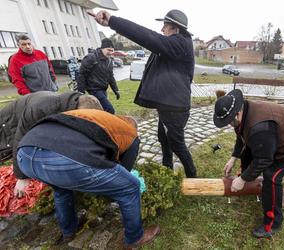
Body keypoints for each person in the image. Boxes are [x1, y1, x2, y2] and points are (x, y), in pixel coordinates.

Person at [16, 109, 160, 248]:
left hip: (25, 154)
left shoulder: (97, 117)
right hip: (62, 159)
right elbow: (123, 170)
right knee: (130, 187)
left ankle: (68, 232)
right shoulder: (131, 134)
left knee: (61, 189)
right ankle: (135, 238)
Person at [90, 9, 197, 177]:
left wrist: (113, 21)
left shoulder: (180, 44)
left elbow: (148, 37)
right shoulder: (174, 46)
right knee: (163, 137)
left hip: (175, 108)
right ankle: (167, 168)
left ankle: (193, 177)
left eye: (165, 27)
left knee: (177, 144)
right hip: (168, 104)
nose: (162, 30)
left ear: (175, 29)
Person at [213, 89, 284, 238]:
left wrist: (242, 179)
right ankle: (249, 180)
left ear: (238, 114)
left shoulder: (259, 128)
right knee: (250, 150)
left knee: (271, 176)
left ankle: (272, 224)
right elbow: (241, 136)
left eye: (229, 122)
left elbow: (265, 159)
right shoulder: (244, 111)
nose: (229, 125)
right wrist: (233, 157)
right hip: (272, 139)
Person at [0, 91, 102, 196]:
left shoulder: (71, 105)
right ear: (77, 111)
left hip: (26, 121)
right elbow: (19, 139)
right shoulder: (42, 108)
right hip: (8, 126)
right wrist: (22, 177)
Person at [77, 38, 120, 114]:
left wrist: (116, 90)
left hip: (103, 89)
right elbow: (81, 74)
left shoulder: (109, 61)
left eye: (112, 50)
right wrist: (81, 91)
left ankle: (98, 124)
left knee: (101, 111)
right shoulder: (91, 58)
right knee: (110, 110)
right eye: (108, 50)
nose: (110, 52)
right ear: (102, 48)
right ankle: (107, 125)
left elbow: (110, 77)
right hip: (93, 89)